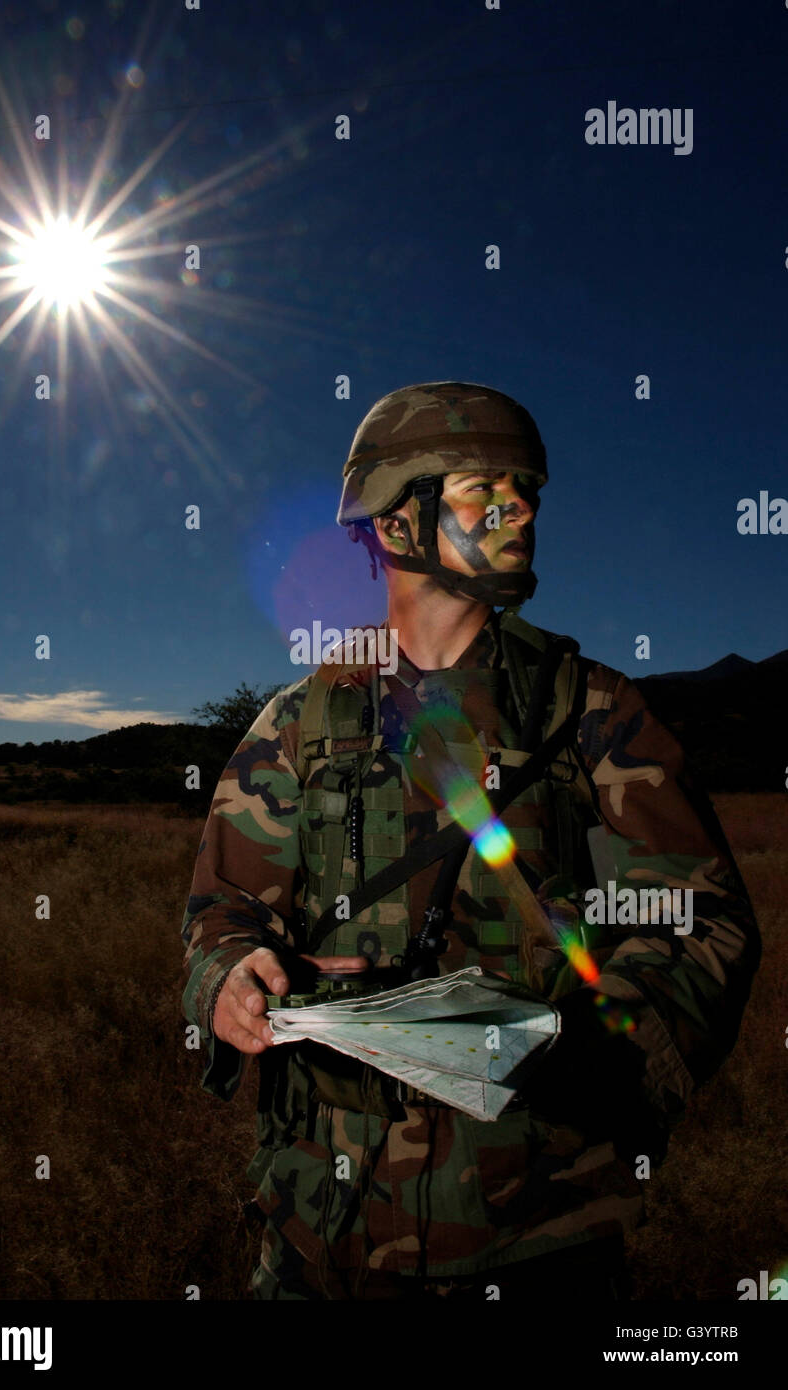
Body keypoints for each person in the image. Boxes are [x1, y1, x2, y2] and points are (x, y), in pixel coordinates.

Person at [180, 381, 760, 1300]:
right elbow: (224, 909)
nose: (520, 506)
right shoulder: (299, 723)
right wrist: (229, 979)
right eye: (481, 487)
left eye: (525, 487)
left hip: (532, 1223)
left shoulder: (592, 711)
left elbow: (700, 921)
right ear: (397, 520)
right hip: (316, 1224)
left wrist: (588, 1047)